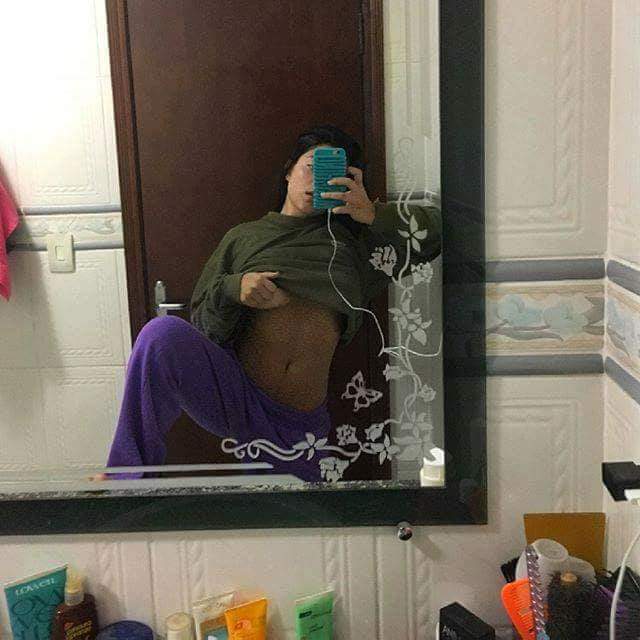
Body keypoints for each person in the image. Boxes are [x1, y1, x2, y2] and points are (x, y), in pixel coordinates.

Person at [105, 125, 441, 481]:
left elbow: (440, 234)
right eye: (311, 166)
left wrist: (372, 213)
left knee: (299, 514)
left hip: (299, 424)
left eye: (334, 173)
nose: (320, 180)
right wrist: (235, 289)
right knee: (159, 334)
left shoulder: (354, 246)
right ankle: (124, 480)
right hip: (238, 398)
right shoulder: (244, 237)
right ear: (288, 172)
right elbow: (203, 323)